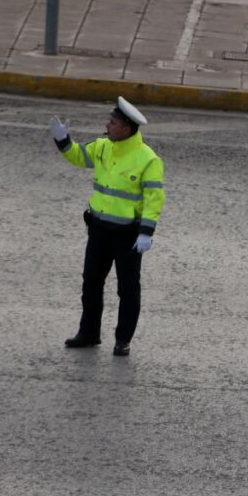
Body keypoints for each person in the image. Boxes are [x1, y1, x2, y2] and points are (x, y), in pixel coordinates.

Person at [49, 97, 166, 357]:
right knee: (91, 282)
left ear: (126, 129)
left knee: (127, 289)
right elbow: (79, 156)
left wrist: (146, 232)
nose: (107, 125)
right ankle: (89, 333)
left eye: (112, 122)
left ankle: (123, 339)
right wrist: (63, 141)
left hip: (128, 236)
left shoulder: (148, 160)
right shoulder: (103, 147)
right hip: (99, 230)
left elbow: (154, 199)